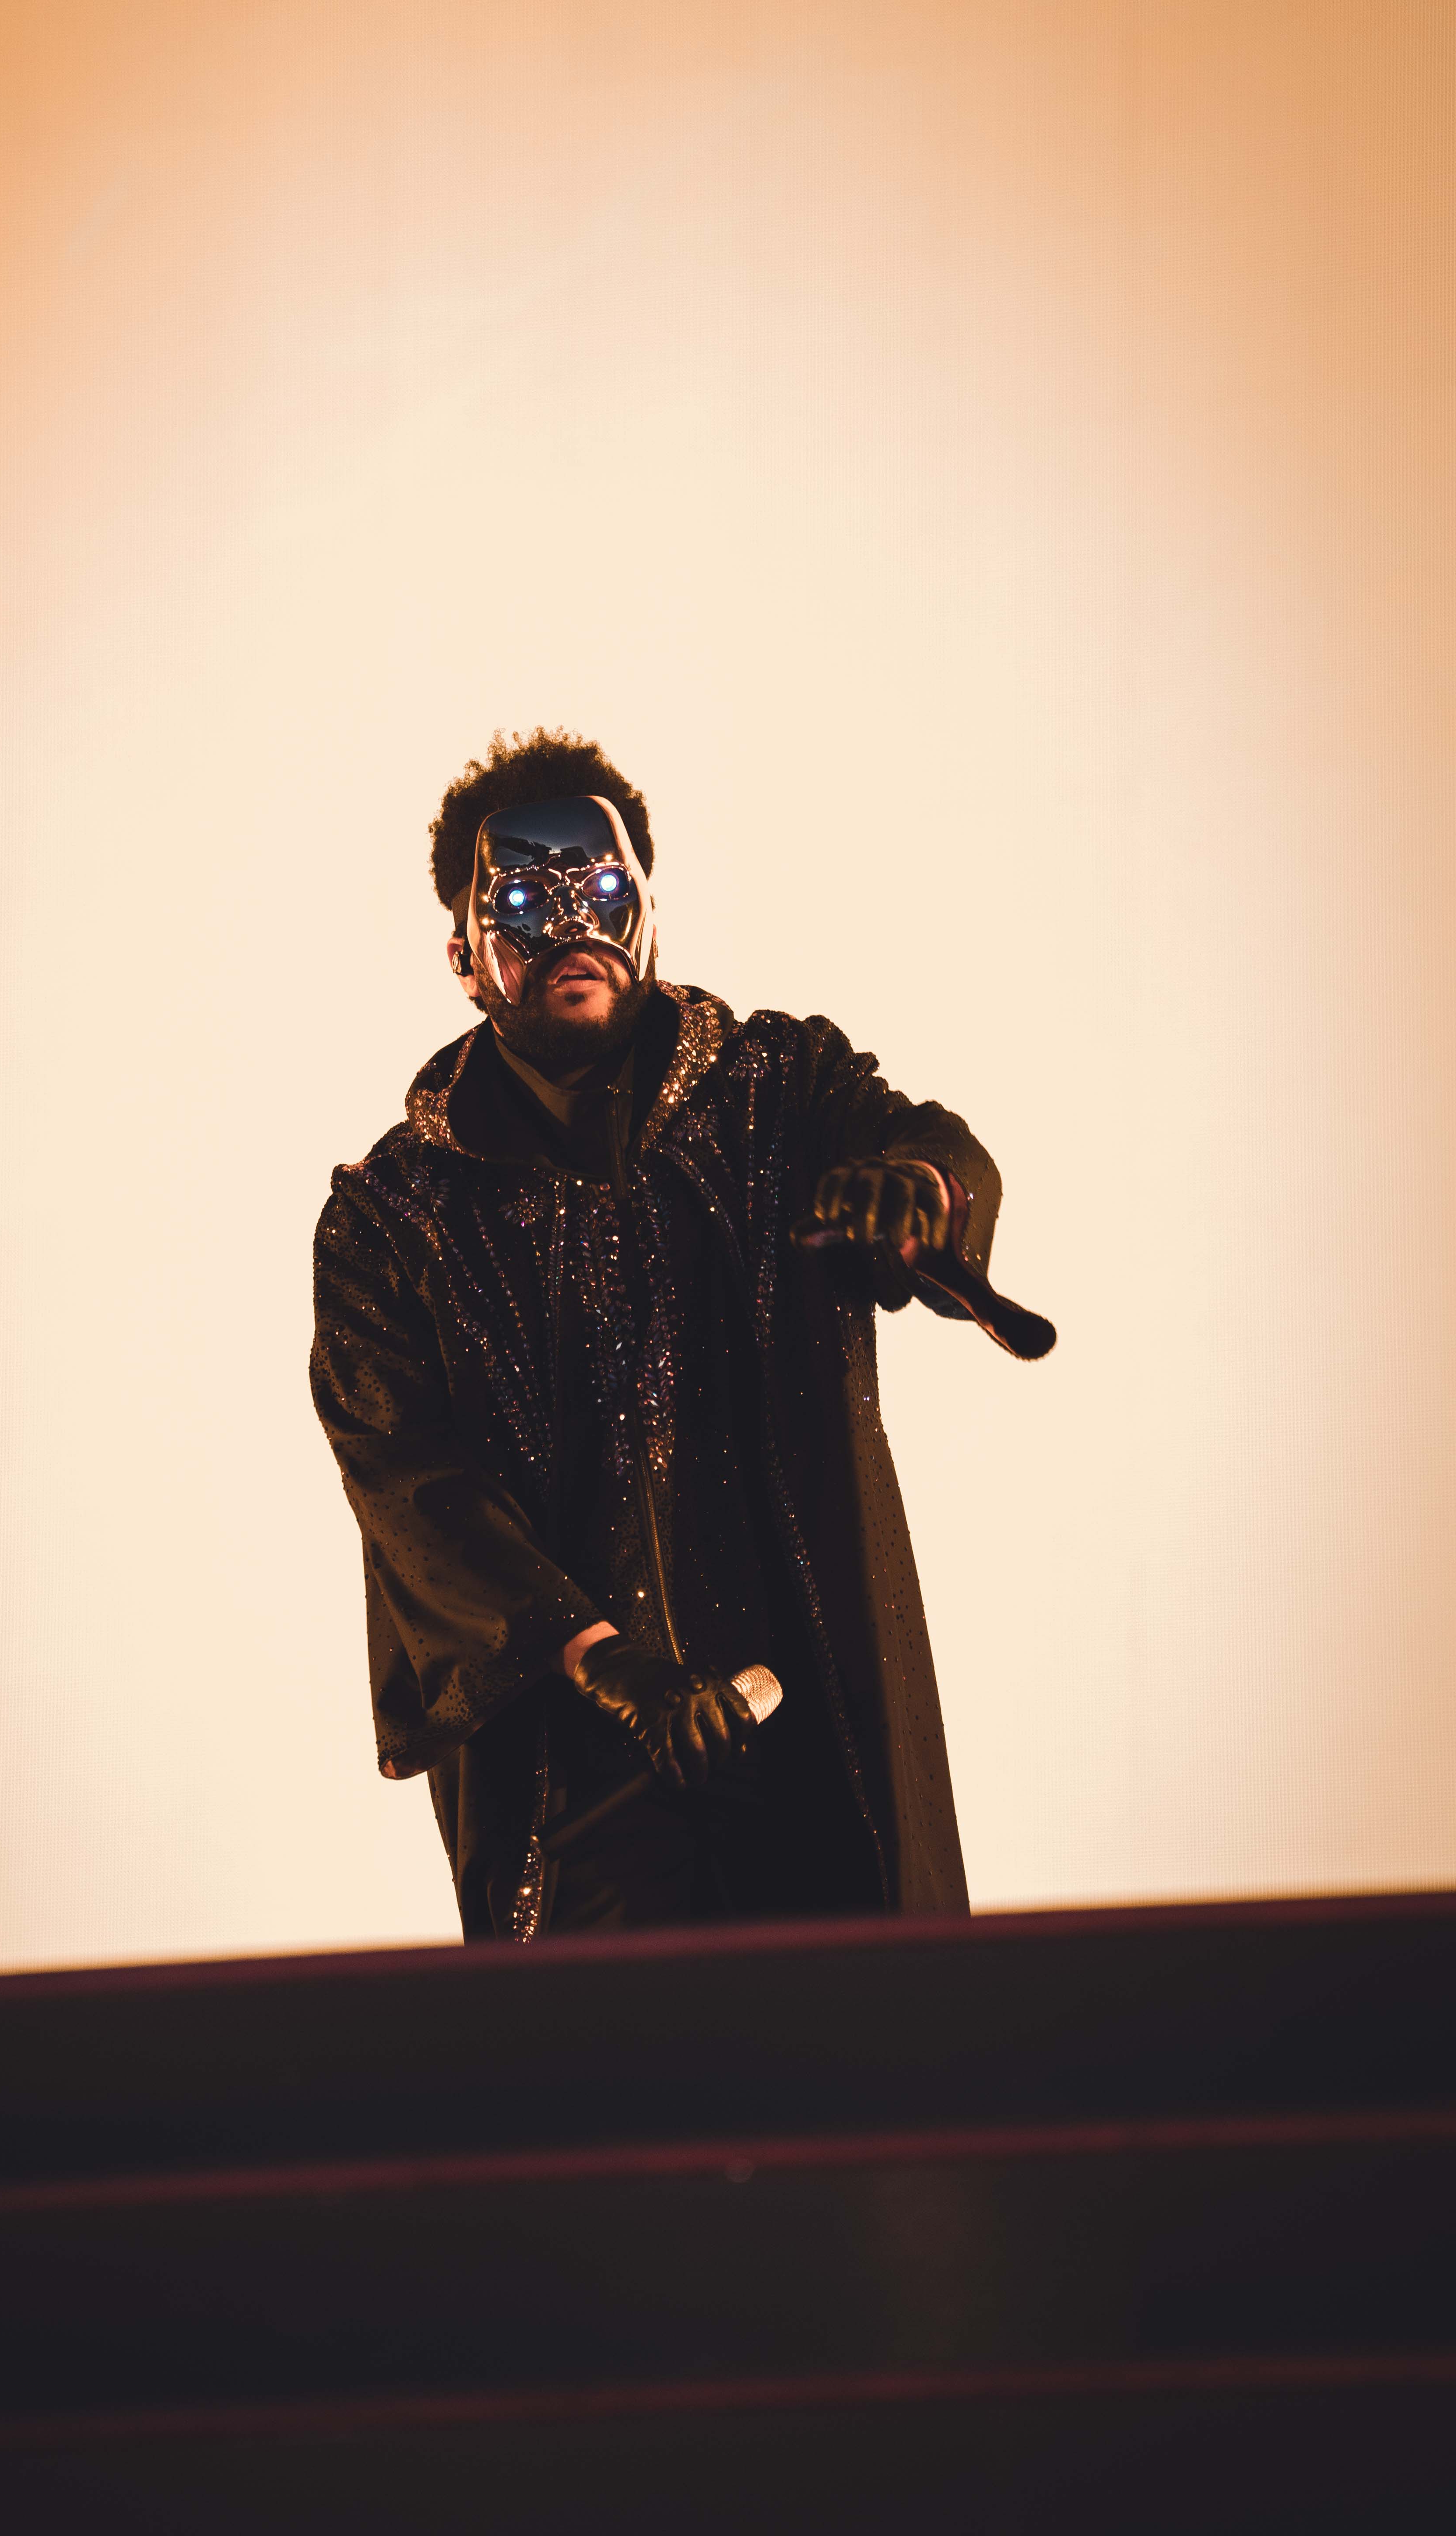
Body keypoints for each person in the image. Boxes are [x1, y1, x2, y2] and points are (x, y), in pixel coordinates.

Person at [310, 729, 1052, 1941]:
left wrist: (917, 1191)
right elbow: (411, 1485)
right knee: (610, 2050)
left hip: (812, 1733)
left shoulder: (778, 1093)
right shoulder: (396, 1218)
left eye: (602, 888)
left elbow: (929, 1142)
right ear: (464, 955)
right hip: (581, 1784)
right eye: (523, 901)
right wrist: (604, 1662)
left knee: (862, 2031)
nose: (572, 926)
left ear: (650, 909)